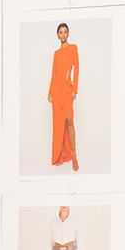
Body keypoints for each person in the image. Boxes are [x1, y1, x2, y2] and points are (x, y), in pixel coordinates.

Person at [49, 24, 79, 168]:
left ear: (68, 34)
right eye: (60, 32)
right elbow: (54, 73)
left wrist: (75, 90)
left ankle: (74, 155)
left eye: (65, 32)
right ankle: (62, 153)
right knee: (59, 123)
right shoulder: (56, 53)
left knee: (69, 121)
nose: (63, 35)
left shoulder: (73, 48)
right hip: (56, 90)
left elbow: (77, 69)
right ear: (57, 35)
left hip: (67, 90)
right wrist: (50, 92)